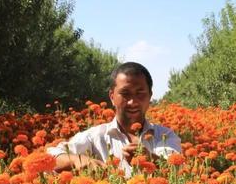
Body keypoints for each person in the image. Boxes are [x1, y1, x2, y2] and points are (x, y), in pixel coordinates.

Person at [47, 62, 181, 176]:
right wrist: (78, 160)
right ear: (112, 96)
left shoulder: (165, 136)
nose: (132, 102)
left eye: (140, 93)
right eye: (125, 94)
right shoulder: (95, 136)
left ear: (150, 96)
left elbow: (177, 169)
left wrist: (150, 159)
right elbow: (50, 156)